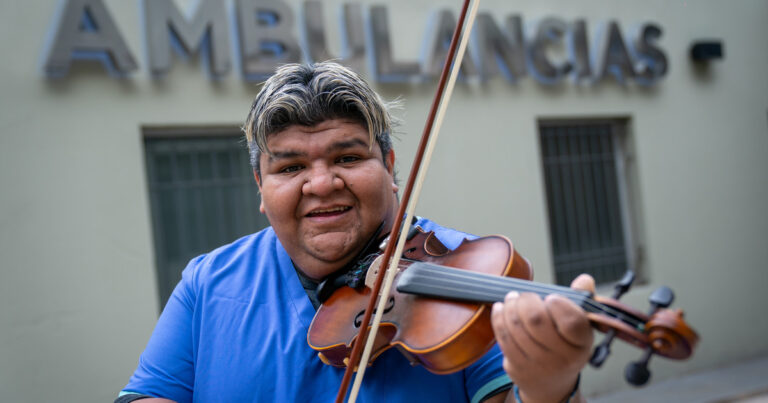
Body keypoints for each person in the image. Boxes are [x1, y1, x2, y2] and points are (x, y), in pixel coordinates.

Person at [117, 62, 594, 403]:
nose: (322, 184)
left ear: (389, 166)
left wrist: (548, 390)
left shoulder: (469, 273)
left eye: (347, 158)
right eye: (291, 166)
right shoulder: (206, 282)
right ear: (261, 187)